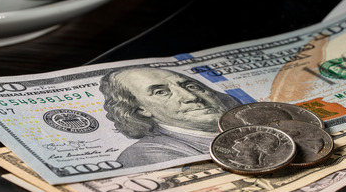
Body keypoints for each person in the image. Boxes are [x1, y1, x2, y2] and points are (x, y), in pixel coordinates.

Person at [99, 66, 241, 166]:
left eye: (191, 86)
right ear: (140, 109)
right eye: (161, 92)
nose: (190, 97)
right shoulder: (148, 153)